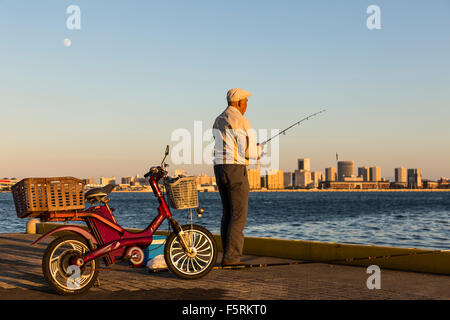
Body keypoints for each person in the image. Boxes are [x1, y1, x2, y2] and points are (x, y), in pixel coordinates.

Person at [212, 88, 261, 266]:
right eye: (246, 101)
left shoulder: (218, 119)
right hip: (235, 169)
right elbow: (248, 151)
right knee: (239, 215)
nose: (247, 104)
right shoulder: (241, 120)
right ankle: (232, 258)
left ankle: (227, 255)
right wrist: (258, 150)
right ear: (239, 102)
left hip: (219, 168)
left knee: (227, 214)